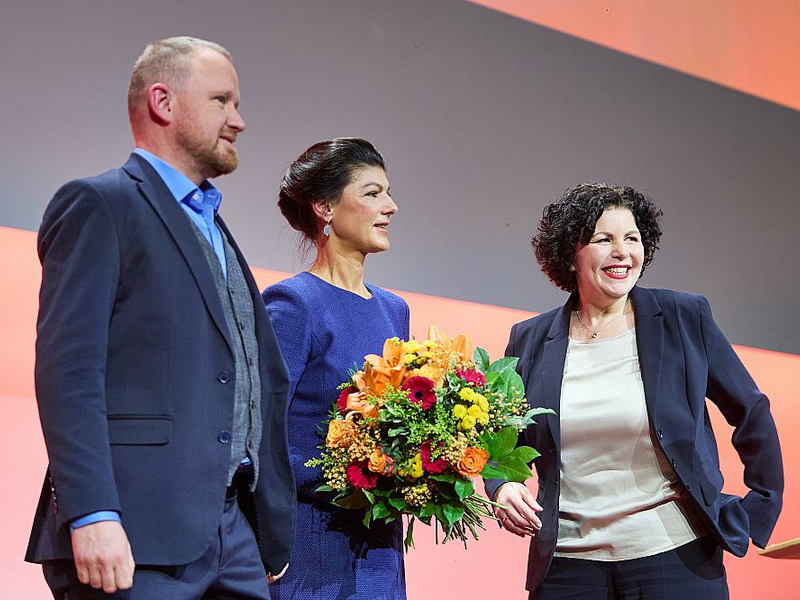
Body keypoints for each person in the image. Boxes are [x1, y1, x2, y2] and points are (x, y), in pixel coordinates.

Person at [25, 37, 295, 598]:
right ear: (163, 103)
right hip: (133, 532)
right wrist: (92, 512)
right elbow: (68, 373)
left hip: (233, 536)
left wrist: (265, 526)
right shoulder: (100, 204)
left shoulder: (213, 225)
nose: (239, 120)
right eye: (222, 100)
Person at [486, 183, 783, 599]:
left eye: (632, 239)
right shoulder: (530, 339)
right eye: (603, 239)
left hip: (675, 557)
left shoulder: (683, 316)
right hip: (568, 566)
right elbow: (499, 441)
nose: (622, 252)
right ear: (570, 253)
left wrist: (761, 505)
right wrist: (500, 484)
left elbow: (750, 409)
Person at [263, 138, 408, 599]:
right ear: (325, 206)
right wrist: (351, 473)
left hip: (380, 545)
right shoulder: (293, 304)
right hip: (310, 543)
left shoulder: (395, 310)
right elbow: (260, 434)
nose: (391, 206)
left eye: (388, 192)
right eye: (372, 193)